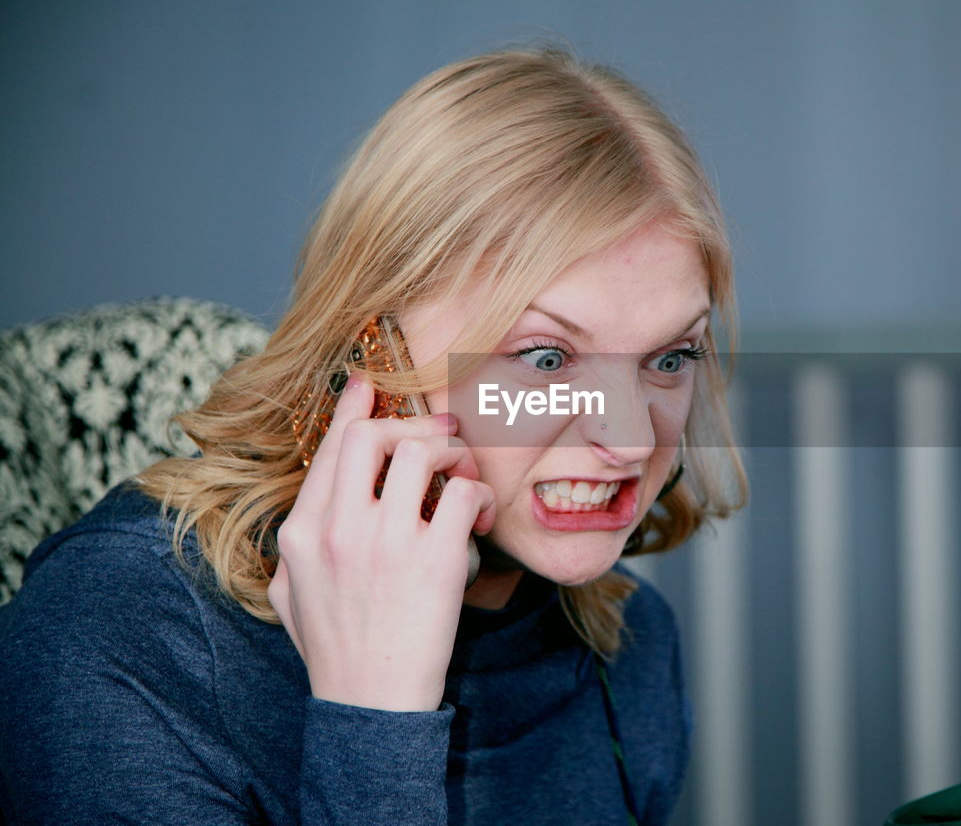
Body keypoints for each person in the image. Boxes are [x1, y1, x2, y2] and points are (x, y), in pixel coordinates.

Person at [0, 46, 746, 823]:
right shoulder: (119, 637)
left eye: (670, 356)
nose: (628, 440)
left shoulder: (629, 648)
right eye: (547, 357)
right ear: (371, 344)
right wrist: (374, 717)